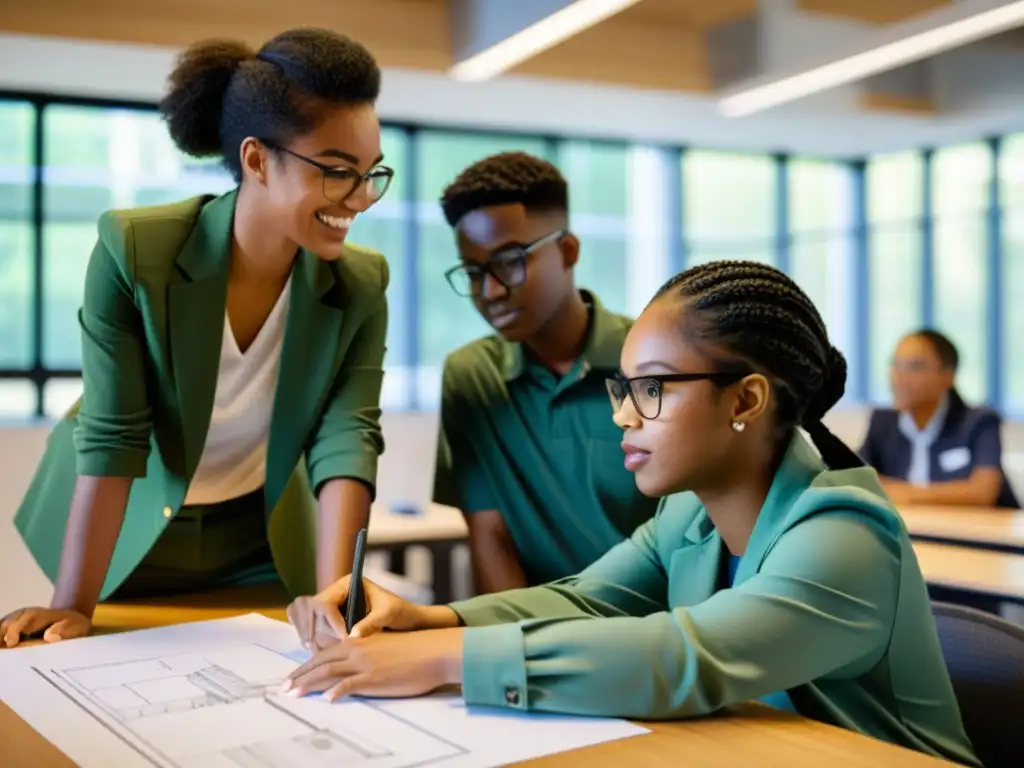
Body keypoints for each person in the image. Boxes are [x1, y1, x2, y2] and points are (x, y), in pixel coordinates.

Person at [283, 261, 980, 767]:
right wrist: (427, 618)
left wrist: (442, 658)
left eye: (652, 389)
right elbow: (586, 600)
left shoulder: (844, 533)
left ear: (745, 400)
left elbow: (686, 657)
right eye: (624, 388)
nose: (622, 415)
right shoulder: (690, 513)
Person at [1, 28, 395, 647]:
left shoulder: (360, 284)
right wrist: (72, 604)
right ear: (257, 160)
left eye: (372, 173)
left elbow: (346, 438)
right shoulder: (137, 251)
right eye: (339, 172)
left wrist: (338, 600)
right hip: (132, 537)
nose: (362, 198)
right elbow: (114, 433)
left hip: (257, 540)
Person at [431, 151, 660, 593]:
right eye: (474, 272)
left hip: (656, 621)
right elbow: (490, 535)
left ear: (568, 251)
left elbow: (695, 530)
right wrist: (524, 632)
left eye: (509, 261)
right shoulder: (473, 377)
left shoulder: (650, 363)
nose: (490, 291)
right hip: (538, 624)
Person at [860, 328, 1019, 508]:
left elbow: (983, 492)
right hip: (911, 523)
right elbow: (856, 479)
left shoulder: (979, 422)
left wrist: (906, 493)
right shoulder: (882, 423)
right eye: (895, 365)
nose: (900, 377)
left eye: (915, 366)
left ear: (948, 376)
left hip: (979, 525)